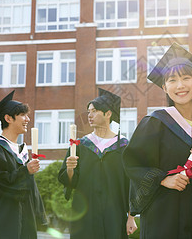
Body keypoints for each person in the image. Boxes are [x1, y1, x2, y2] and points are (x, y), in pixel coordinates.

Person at [122, 43, 192, 239]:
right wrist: (163, 179)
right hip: (161, 218)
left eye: (186, 78)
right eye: (172, 80)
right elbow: (132, 165)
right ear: (164, 87)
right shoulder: (155, 123)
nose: (180, 85)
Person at [58, 88, 137, 239]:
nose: (90, 115)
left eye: (94, 111)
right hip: (84, 215)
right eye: (88, 112)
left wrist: (131, 216)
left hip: (114, 215)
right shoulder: (80, 144)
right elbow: (70, 183)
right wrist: (69, 169)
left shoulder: (123, 146)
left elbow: (131, 184)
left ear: (108, 114)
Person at [0, 90, 47, 239]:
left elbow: (30, 186)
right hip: (0, 221)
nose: (27, 119)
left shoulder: (21, 150)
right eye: (22, 115)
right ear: (8, 118)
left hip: (23, 219)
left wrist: (39, 214)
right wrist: (25, 171)